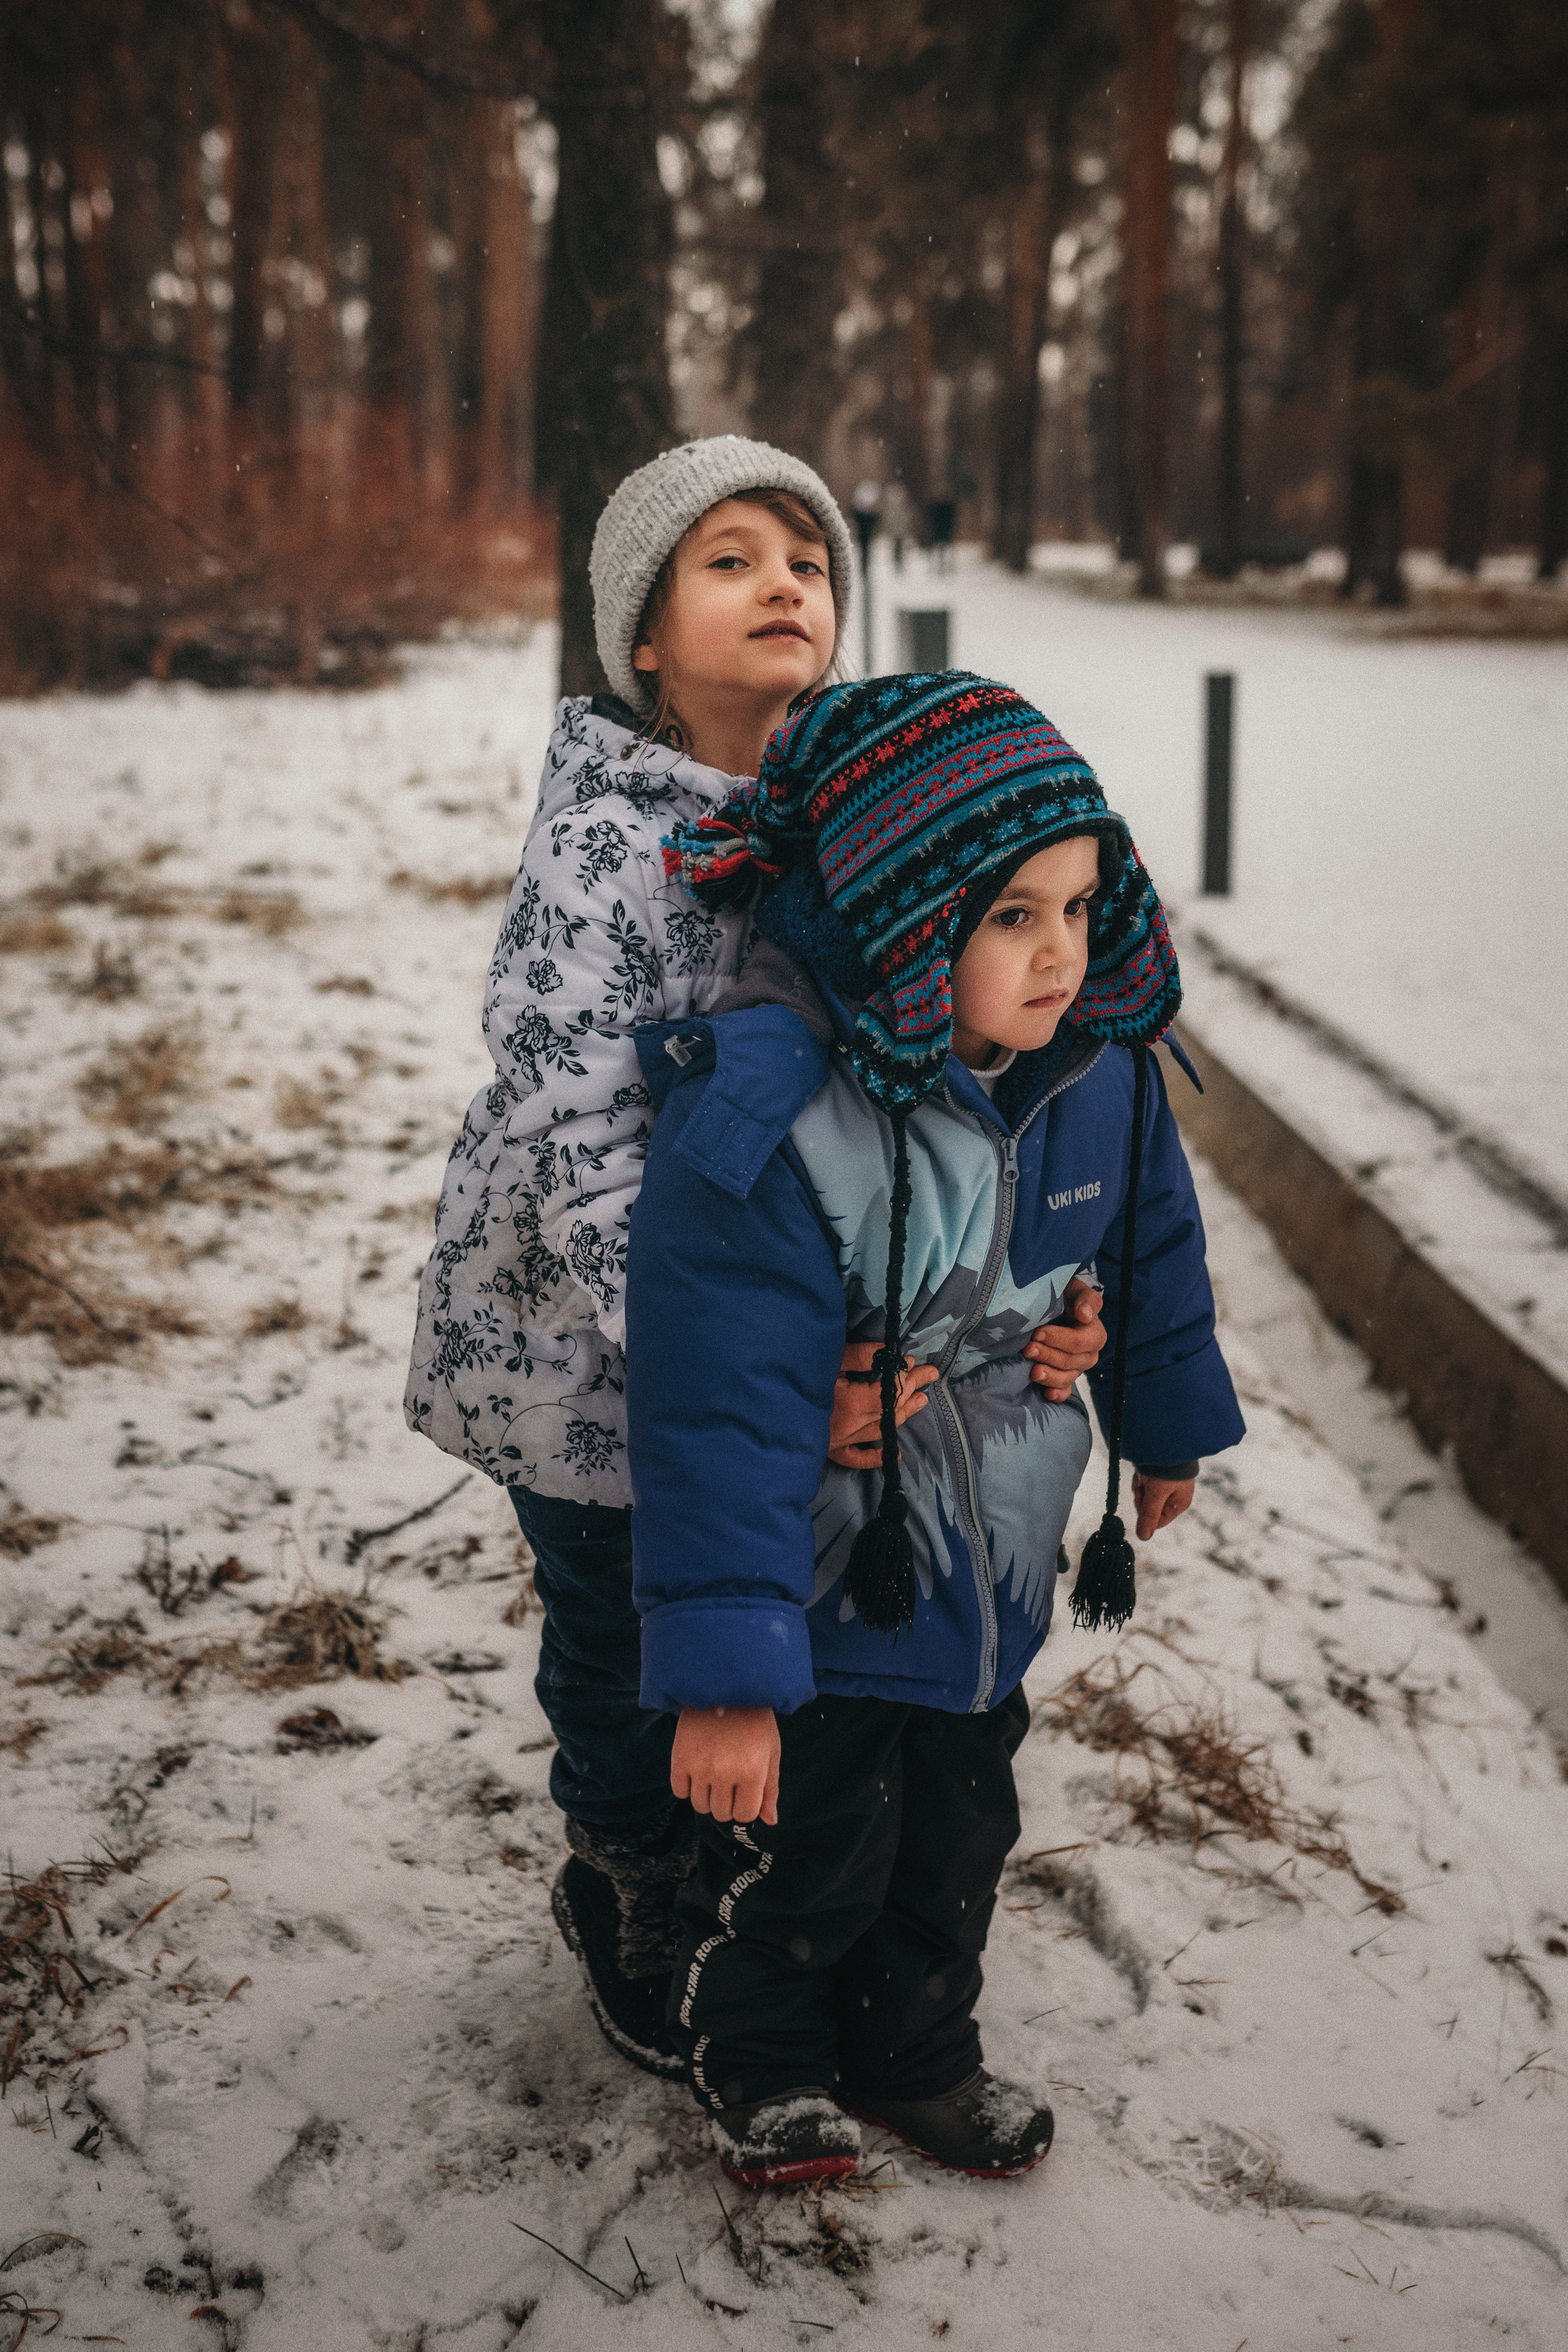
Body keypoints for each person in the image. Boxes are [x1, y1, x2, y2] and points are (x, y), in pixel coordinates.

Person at [404, 441, 1111, 2080]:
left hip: (798, 1339)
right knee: (615, 1634)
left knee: (751, 1600)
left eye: (809, 557)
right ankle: (628, 1872)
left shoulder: (860, 818)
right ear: (643, 638)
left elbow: (932, 1065)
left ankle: (741, 1849)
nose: (788, 579)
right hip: (584, 1355)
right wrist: (735, 1370)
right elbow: (574, 1131)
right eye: (729, 559)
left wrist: (1002, 1306)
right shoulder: (602, 850)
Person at [628, 671, 1245, 2188]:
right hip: (838, 1570)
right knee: (817, 1846)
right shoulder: (773, 1117)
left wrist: (1156, 1423)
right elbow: (713, 1404)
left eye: (1080, 908)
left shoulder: (1094, 1075)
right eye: (1012, 919)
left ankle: (916, 2052)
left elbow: (1146, 1249)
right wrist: (722, 1679)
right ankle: (761, 2056)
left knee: (956, 1837)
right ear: (905, 917)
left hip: (993, 1560)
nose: (1060, 958)